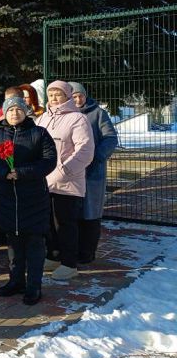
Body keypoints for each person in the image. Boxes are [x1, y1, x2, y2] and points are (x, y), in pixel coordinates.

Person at [0, 97, 57, 305]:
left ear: (25, 111)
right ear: (5, 113)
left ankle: (34, 285)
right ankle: (16, 281)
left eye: (18, 109)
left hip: (33, 197)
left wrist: (21, 173)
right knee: (13, 242)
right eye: (10, 110)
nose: (14, 113)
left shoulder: (39, 133)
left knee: (34, 242)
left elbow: (49, 161)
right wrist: (3, 173)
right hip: (6, 197)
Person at [35, 81, 95, 280]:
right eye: (51, 94)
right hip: (44, 180)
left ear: (68, 96)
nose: (54, 98)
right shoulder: (43, 118)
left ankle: (69, 263)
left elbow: (85, 150)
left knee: (65, 224)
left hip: (67, 182)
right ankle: (53, 255)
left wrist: (65, 169)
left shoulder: (78, 119)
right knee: (48, 223)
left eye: (58, 94)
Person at [69, 82, 119, 264]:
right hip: (70, 173)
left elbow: (110, 138)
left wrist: (96, 156)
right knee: (71, 214)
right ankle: (70, 249)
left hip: (92, 173)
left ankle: (87, 252)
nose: (77, 99)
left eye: (80, 95)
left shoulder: (98, 113)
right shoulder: (64, 115)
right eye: (73, 96)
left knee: (90, 213)